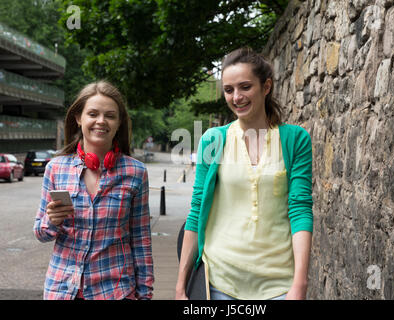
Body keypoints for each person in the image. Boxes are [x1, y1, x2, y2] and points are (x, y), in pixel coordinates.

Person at [175, 48, 314, 300]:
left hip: (279, 285)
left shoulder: (295, 140)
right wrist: (180, 286)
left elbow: (300, 210)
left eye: (245, 87)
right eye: (229, 90)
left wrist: (300, 283)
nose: (236, 97)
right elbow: (196, 211)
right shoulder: (213, 140)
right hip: (219, 283)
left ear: (266, 86)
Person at [34, 81, 154, 300]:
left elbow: (141, 239)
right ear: (79, 118)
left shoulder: (136, 172)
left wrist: (145, 294)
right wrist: (52, 221)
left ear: (118, 123)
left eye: (110, 115)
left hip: (114, 291)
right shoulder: (55, 168)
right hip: (62, 290)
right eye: (93, 114)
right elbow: (41, 233)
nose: (101, 121)